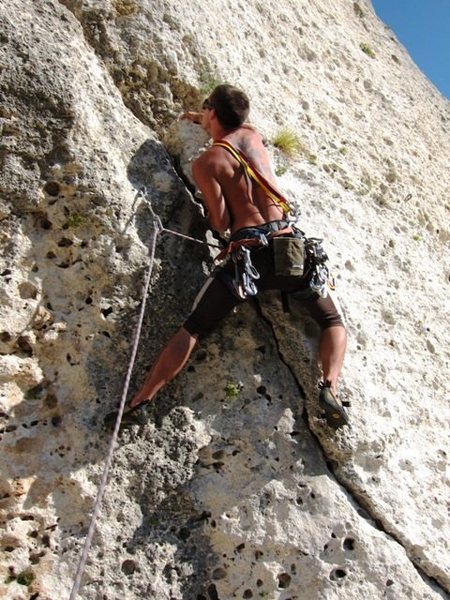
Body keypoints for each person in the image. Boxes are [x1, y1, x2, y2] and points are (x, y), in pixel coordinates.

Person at [127, 84, 349, 428]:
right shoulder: (253, 137)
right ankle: (329, 385)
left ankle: (142, 398)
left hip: (249, 257)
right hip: (290, 248)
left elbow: (221, 221)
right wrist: (205, 116)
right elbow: (229, 124)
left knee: (195, 326)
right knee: (332, 321)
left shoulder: (207, 162)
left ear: (212, 113)